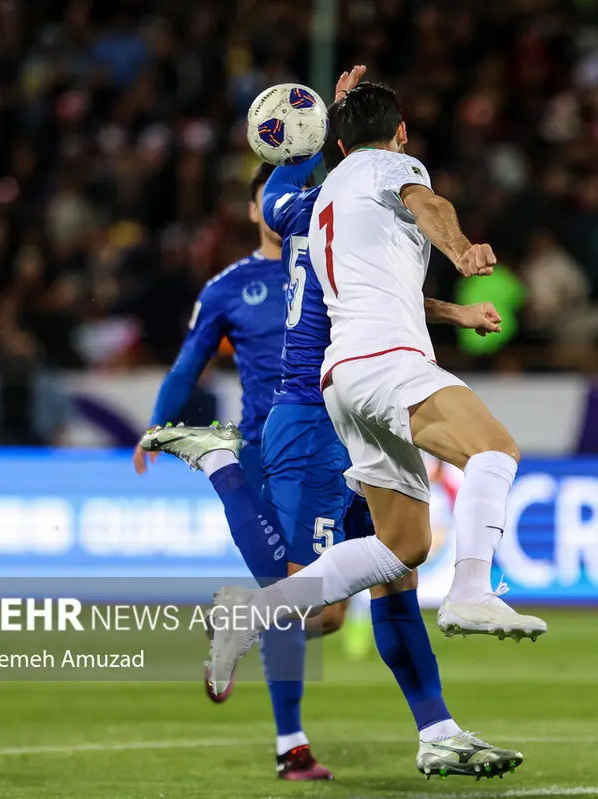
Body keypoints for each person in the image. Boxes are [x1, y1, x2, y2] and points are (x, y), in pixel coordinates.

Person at [143, 67, 527, 780]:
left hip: (342, 395)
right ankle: (224, 484)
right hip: (319, 411)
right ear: (396, 136)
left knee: (400, 561)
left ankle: (438, 731)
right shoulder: (379, 182)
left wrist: (455, 312)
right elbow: (425, 202)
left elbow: (378, 278)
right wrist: (461, 251)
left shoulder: (312, 206)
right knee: (321, 612)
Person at [136, 162, 356, 780]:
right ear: (257, 209)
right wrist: (156, 423)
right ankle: (291, 744)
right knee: (290, 589)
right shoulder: (229, 288)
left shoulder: (333, 266)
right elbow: (188, 365)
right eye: (273, 197)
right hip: (267, 452)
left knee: (327, 611)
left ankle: (245, 618)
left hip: (337, 447)